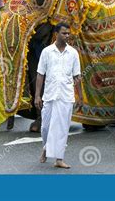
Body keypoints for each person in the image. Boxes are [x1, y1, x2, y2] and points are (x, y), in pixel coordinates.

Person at [35, 23, 81, 169]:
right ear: (56, 34)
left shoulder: (73, 53)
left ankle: (59, 159)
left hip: (66, 96)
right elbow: (40, 74)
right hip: (49, 95)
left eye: (68, 33)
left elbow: (77, 76)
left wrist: (79, 96)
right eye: (64, 33)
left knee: (62, 129)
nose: (67, 36)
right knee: (45, 127)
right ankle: (46, 148)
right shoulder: (47, 52)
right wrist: (37, 96)